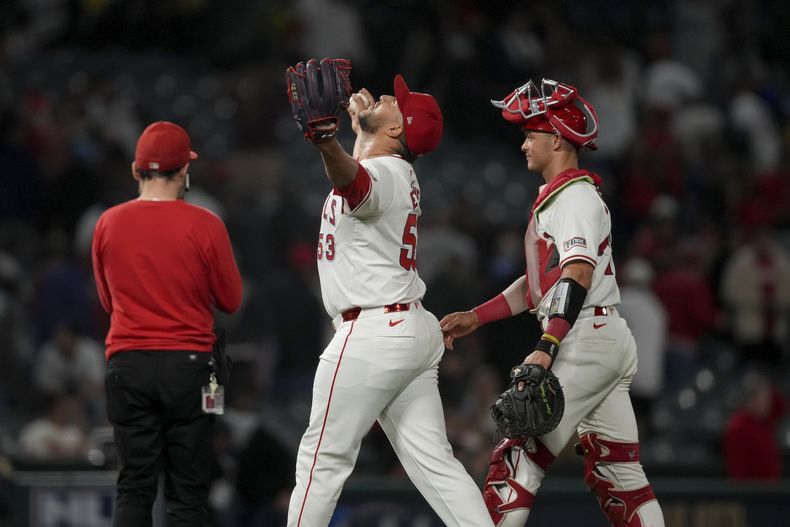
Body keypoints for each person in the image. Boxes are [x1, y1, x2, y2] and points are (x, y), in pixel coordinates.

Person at [440, 79, 664, 526]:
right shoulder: (566, 196)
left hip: (585, 338)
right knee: (619, 475)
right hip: (600, 335)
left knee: (516, 455)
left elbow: (577, 274)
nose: (524, 143)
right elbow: (540, 282)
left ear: (557, 138)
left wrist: (547, 345)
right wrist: (477, 317)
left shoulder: (574, 197)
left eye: (530, 134)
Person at [286, 74, 494, 526]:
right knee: (437, 466)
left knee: (321, 461)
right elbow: (361, 179)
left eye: (395, 102)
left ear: (397, 131)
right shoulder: (394, 169)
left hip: (374, 334)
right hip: (407, 329)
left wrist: (327, 141)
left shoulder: (384, 174)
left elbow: (355, 184)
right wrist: (360, 133)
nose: (384, 96)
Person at [91, 121, 243, 526]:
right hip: (189, 368)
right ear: (184, 171)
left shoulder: (107, 223)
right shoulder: (206, 224)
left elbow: (109, 301)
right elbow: (230, 299)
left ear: (136, 170)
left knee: (134, 487)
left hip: (129, 364)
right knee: (187, 495)